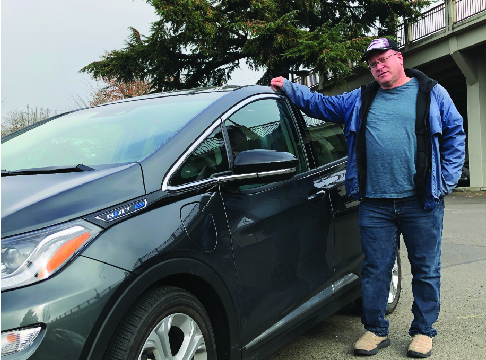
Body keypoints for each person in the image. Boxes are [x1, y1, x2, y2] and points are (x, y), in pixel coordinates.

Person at [270, 38, 465, 358]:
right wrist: (290, 88)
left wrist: (447, 179)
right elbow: (323, 105)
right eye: (373, 64)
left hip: (422, 202)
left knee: (426, 269)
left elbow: (455, 133)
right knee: (375, 269)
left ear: (399, 58)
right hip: (375, 202)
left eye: (384, 59)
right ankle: (375, 330)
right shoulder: (361, 98)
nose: (379, 67)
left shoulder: (431, 92)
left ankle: (423, 331)